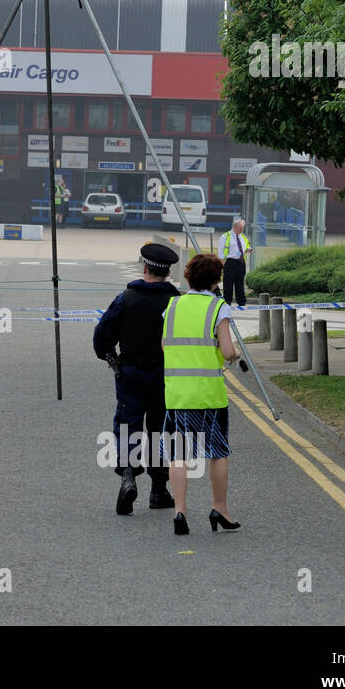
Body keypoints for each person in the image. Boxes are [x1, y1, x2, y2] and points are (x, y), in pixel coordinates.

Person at [93, 243, 182, 515]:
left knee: (129, 423)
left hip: (130, 371)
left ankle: (128, 476)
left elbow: (102, 337)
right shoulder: (175, 301)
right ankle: (158, 488)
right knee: (159, 427)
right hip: (164, 373)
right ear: (167, 272)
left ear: (144, 267)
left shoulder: (125, 298)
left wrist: (110, 357)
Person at [161, 254, 243, 536]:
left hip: (177, 394)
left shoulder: (172, 306)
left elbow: (165, 344)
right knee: (217, 453)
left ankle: (180, 511)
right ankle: (220, 508)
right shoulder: (218, 307)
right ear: (216, 280)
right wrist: (234, 355)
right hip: (208, 395)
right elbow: (228, 350)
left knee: (179, 455)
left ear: (188, 277)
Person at [219, 219, 252, 307]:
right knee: (228, 283)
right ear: (235, 227)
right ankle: (227, 302)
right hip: (230, 262)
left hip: (241, 262)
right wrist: (222, 263)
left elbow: (246, 245)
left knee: (240, 283)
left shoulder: (242, 236)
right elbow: (221, 251)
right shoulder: (225, 236)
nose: (242, 230)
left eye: (242, 228)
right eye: (240, 228)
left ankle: (241, 302)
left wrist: (248, 249)